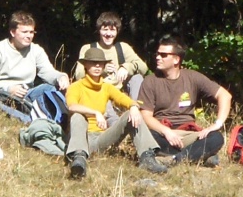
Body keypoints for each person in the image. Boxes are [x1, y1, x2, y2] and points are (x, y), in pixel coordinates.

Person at [65, 48, 167, 178]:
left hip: (101, 138)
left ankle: (147, 157)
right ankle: (79, 159)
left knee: (131, 114)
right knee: (78, 116)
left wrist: (133, 106)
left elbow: (123, 99)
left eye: (100, 63)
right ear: (85, 65)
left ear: (104, 66)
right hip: (82, 138)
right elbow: (72, 106)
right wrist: (95, 113)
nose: (97, 66)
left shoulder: (106, 87)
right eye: (93, 63)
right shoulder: (76, 86)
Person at [138, 38, 233, 166]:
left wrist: (217, 124)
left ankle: (175, 159)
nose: (158, 57)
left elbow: (225, 96)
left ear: (176, 59)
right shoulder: (150, 81)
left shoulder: (192, 77)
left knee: (216, 138)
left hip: (188, 134)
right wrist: (166, 131)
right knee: (146, 135)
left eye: (163, 55)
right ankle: (199, 155)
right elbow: (146, 116)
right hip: (162, 133)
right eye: (157, 54)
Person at [0, 11, 70, 123]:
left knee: (50, 89)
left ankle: (58, 120)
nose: (29, 36)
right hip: (3, 95)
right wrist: (9, 88)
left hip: (27, 94)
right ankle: (30, 120)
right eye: (24, 32)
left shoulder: (36, 50)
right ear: (13, 32)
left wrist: (61, 77)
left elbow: (47, 72)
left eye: (31, 32)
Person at [74, 11, 149, 123]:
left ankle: (136, 110)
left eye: (112, 30)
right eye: (105, 29)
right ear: (99, 30)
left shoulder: (123, 48)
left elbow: (144, 67)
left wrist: (126, 67)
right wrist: (101, 69)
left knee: (137, 78)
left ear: (117, 31)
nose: (108, 34)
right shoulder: (88, 48)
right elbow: (79, 75)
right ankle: (115, 125)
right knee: (102, 94)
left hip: (120, 89)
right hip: (100, 90)